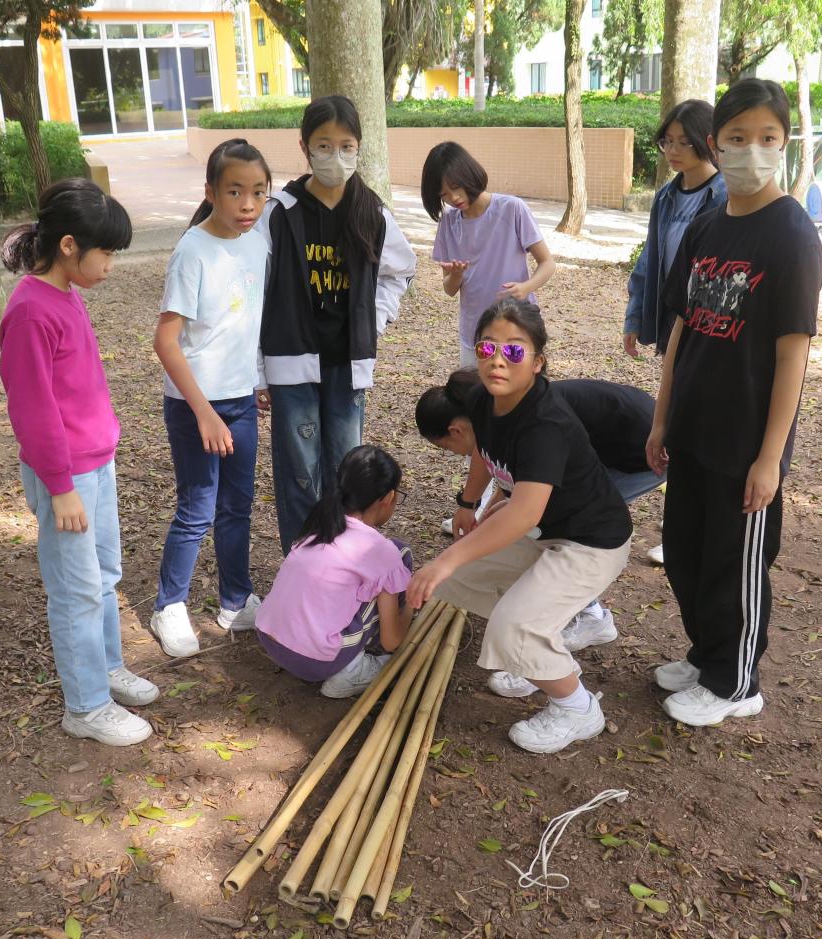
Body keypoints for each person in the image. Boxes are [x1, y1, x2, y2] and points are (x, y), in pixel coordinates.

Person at [646, 78, 822, 727]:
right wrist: (661, 418)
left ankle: (735, 681)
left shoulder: (791, 234)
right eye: (738, 137)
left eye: (767, 138)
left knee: (734, 563)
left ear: (784, 143)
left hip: (745, 440)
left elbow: (792, 353)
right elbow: (682, 329)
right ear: (715, 144)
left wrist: (770, 458)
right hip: (692, 428)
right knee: (686, 554)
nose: (752, 150)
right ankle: (707, 655)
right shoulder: (706, 227)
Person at [407, 299, 633, 755]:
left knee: (509, 625)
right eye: (487, 347)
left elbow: (525, 513)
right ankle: (538, 654)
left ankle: (578, 708)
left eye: (514, 350)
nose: (497, 359)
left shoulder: (545, 423)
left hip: (592, 543)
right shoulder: (482, 399)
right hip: (549, 532)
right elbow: (482, 449)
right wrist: (469, 503)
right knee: (458, 581)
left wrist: (446, 558)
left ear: (537, 362)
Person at [0, 179, 156, 747]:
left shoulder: (65, 295)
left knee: (103, 576)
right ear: (69, 245)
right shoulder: (29, 311)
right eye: (106, 252)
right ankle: (85, 706)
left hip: (93, 466)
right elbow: (33, 410)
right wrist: (61, 486)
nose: (111, 265)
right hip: (64, 477)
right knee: (76, 589)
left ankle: (106, 667)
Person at [256, 95, 417, 554]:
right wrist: (258, 371)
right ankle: (302, 562)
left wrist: (374, 321)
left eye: (346, 146)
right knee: (300, 472)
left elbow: (400, 271)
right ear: (305, 147)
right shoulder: (280, 212)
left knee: (347, 471)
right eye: (324, 146)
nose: (336, 156)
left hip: (347, 365)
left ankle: (341, 560)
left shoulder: (370, 211)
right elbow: (256, 291)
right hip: (291, 363)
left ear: (359, 147)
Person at [415, 365, 658, 649]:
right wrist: (469, 505)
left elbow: (526, 498)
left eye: (446, 448)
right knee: (543, 521)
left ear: (455, 430)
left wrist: (452, 558)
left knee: (574, 526)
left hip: (643, 448)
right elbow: (499, 464)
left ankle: (590, 617)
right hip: (612, 436)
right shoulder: (492, 414)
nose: (454, 454)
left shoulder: (532, 422)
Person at [149, 139, 272, 659]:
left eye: (259, 192)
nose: (248, 204)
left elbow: (247, 322)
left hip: (240, 400)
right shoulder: (192, 251)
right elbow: (166, 341)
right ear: (211, 192)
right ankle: (168, 606)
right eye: (235, 191)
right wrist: (203, 413)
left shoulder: (257, 243)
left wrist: (257, 379)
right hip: (194, 406)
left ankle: (235, 600)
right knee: (197, 508)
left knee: (237, 506)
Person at [624, 99, 725, 566]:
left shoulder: (724, 194)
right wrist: (634, 317)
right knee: (677, 424)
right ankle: (682, 530)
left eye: (685, 141)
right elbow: (650, 259)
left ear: (708, 141)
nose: (674, 151)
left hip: (714, 329)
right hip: (673, 324)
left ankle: (699, 530)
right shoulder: (667, 196)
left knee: (700, 426)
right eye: (667, 141)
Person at [256, 445, 415, 699]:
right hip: (314, 661)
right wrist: (411, 606)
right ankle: (353, 669)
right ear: (388, 497)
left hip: (268, 637)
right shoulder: (382, 552)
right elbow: (392, 641)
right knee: (401, 554)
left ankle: (338, 652)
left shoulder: (319, 525)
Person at [421, 141, 555, 370]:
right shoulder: (448, 223)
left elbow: (547, 263)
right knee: (475, 389)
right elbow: (449, 289)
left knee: (523, 388)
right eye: (444, 194)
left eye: (456, 187)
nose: (454, 198)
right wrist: (456, 275)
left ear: (468, 174)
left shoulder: (512, 208)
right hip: (475, 332)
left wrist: (526, 287)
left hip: (518, 324)